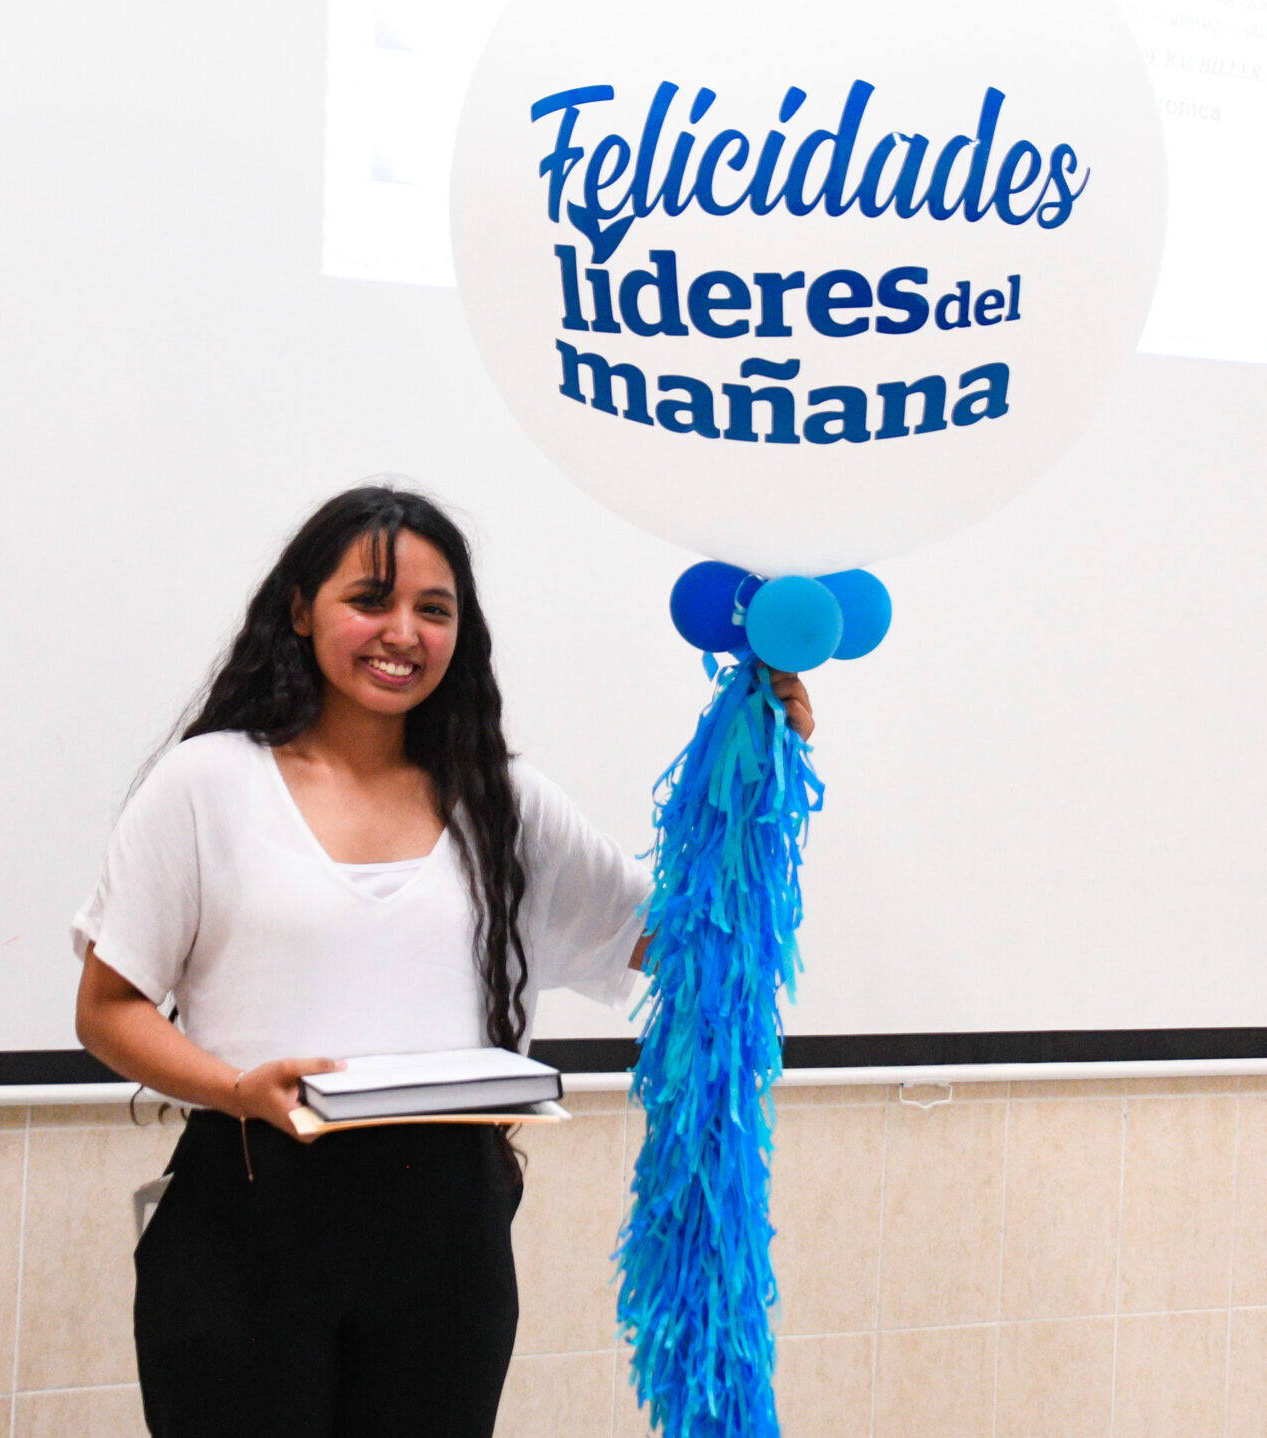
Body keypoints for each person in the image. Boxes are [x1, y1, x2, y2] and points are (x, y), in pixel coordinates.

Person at [70, 483, 813, 1437]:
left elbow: (675, 936)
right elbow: (108, 1009)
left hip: (448, 1236)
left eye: (434, 609)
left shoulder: (503, 799)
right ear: (299, 611)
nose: (403, 634)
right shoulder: (208, 782)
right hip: (247, 1214)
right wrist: (236, 1089)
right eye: (369, 600)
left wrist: (752, 770)